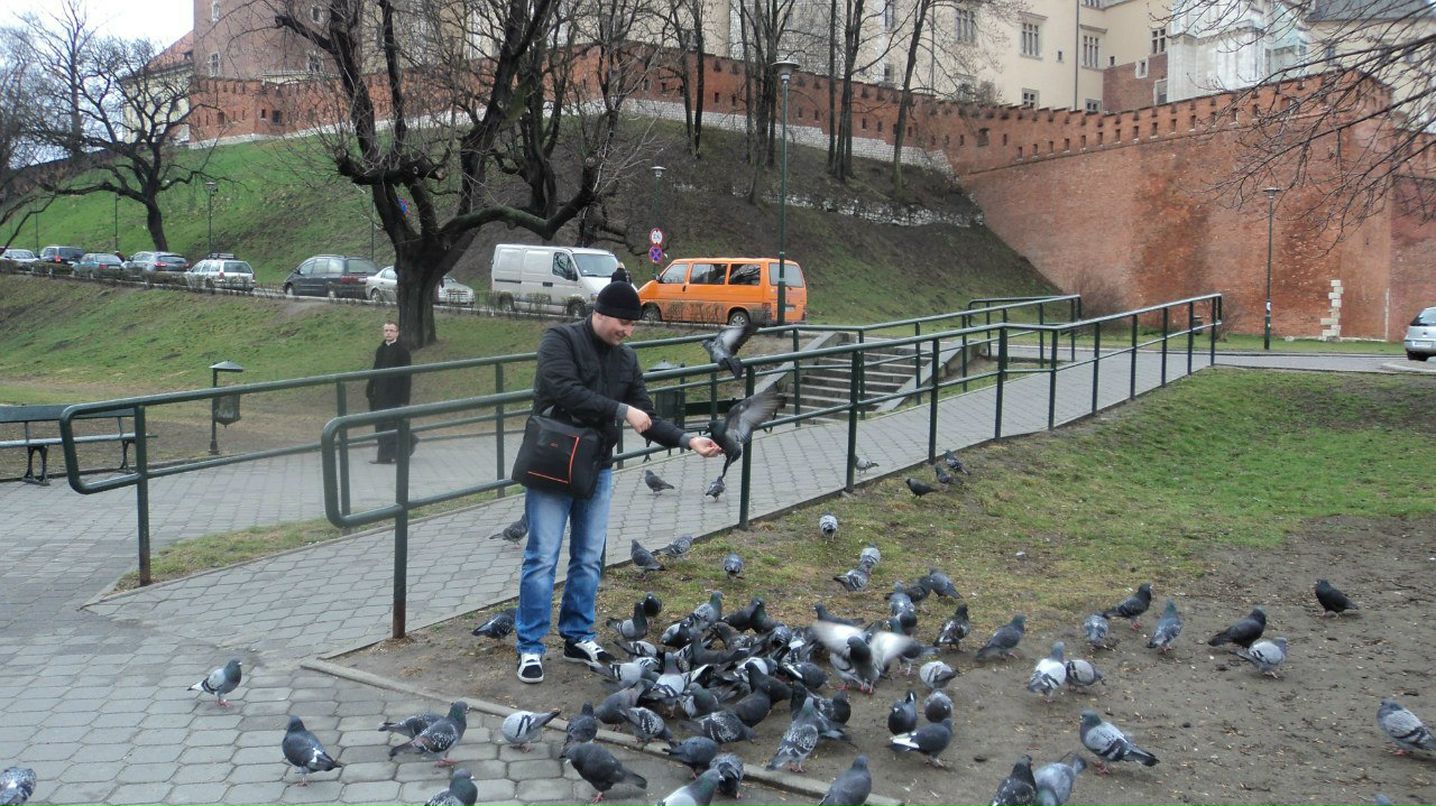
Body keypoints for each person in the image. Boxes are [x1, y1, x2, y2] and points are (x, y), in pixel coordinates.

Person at [515, 281, 722, 683]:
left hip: (597, 467)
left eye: (633, 325)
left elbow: (645, 416)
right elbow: (563, 389)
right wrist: (620, 409)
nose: (628, 331)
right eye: (623, 322)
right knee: (541, 557)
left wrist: (687, 439)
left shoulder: (626, 361)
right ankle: (530, 646)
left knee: (590, 557)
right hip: (553, 462)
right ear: (600, 312)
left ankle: (577, 636)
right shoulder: (560, 340)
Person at [364, 320, 414, 464]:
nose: (388, 333)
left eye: (391, 330)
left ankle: (386, 456)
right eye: (386, 330)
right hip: (380, 393)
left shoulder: (403, 352)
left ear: (397, 333)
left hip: (395, 394)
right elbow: (375, 369)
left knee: (390, 423)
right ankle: (410, 441)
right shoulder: (380, 350)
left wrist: (405, 399)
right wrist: (370, 386)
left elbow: (407, 377)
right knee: (381, 423)